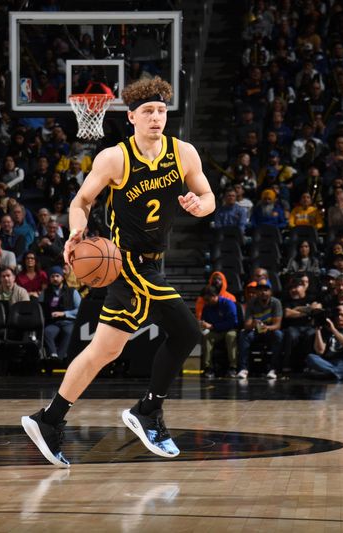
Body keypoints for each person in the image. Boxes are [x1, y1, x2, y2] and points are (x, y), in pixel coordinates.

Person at [21, 76, 215, 466]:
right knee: (188, 331)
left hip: (153, 263)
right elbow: (82, 200)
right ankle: (147, 411)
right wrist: (76, 230)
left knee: (104, 350)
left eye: (161, 111)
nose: (156, 118)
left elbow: (209, 197)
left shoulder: (184, 153)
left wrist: (200, 204)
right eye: (148, 112)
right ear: (131, 117)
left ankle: (49, 418)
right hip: (125, 264)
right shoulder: (115, 158)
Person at [237, 279, 282, 380]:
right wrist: (253, 324)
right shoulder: (251, 303)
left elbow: (277, 325)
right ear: (256, 292)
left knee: (279, 335)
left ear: (270, 291)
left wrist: (267, 327)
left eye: (266, 290)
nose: (263, 292)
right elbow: (247, 325)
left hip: (270, 331)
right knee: (244, 335)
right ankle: (243, 369)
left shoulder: (276, 303)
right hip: (256, 331)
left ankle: (273, 369)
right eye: (260, 290)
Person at [305, 305, 343, 380]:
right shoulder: (326, 330)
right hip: (328, 362)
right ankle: (340, 373)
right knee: (310, 357)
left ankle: (332, 373)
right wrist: (318, 329)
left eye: (342, 315)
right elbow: (320, 351)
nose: (339, 317)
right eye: (337, 315)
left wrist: (333, 330)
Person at [199, 285, 239, 378]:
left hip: (229, 329)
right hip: (216, 331)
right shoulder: (207, 307)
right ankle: (208, 367)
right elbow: (205, 320)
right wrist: (202, 325)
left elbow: (233, 322)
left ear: (214, 296)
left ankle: (233, 367)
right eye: (205, 300)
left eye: (208, 300)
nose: (206, 302)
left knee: (231, 336)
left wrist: (213, 326)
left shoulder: (228, 304)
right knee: (207, 337)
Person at [41, 266, 80, 361]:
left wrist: (64, 313)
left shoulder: (72, 291)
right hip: (53, 323)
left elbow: (80, 309)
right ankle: (53, 355)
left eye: (57, 276)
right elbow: (40, 308)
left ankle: (59, 358)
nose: (55, 278)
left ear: (62, 277)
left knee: (68, 332)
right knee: (47, 332)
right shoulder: (45, 293)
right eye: (52, 276)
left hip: (68, 322)